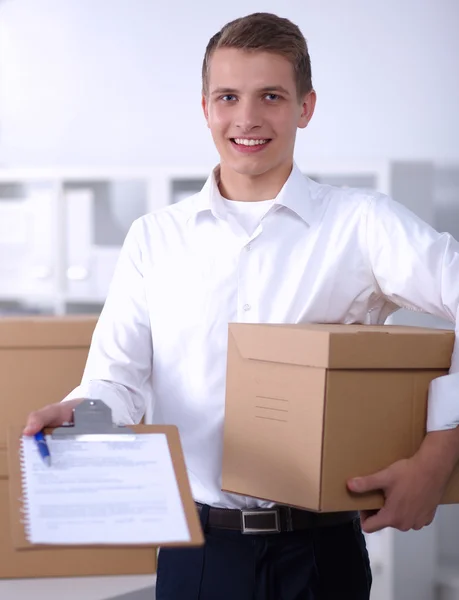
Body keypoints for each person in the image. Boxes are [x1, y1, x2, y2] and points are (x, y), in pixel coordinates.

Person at [24, 12, 459, 600]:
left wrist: (440, 450)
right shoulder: (156, 238)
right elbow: (116, 380)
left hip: (321, 553)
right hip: (199, 556)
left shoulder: (362, 224)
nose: (247, 118)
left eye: (271, 97)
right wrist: (80, 412)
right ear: (205, 107)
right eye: (228, 96)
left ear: (305, 108)